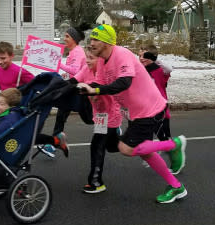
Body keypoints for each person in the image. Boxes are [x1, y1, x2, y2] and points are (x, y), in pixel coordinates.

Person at [78, 24, 187, 203]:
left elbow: (124, 83)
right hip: (136, 113)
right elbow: (100, 85)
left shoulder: (121, 54)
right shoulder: (103, 63)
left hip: (150, 109)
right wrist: (87, 89)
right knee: (145, 152)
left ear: (107, 42)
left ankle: (173, 145)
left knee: (126, 149)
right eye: (91, 40)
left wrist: (96, 91)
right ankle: (176, 187)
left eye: (96, 40)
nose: (91, 44)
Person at [73, 48, 123, 193]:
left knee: (97, 145)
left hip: (111, 114)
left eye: (91, 58)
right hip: (100, 115)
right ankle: (146, 148)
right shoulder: (85, 70)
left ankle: (96, 182)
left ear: (100, 60)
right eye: (87, 57)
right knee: (113, 147)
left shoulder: (106, 72)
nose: (87, 61)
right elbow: (73, 81)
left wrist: (88, 89)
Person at [43, 25, 88, 156]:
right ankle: (53, 144)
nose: (64, 38)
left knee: (87, 115)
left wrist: (59, 64)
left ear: (74, 38)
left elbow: (75, 70)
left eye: (67, 36)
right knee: (61, 115)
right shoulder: (74, 51)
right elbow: (74, 70)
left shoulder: (78, 51)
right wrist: (66, 76)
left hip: (78, 88)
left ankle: (113, 127)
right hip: (72, 86)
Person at [139, 45, 178, 173]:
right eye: (140, 55)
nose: (142, 58)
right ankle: (150, 155)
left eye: (145, 56)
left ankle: (176, 162)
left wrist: (156, 60)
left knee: (165, 139)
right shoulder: (140, 70)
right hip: (146, 110)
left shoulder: (159, 70)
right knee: (146, 135)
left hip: (160, 110)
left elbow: (169, 69)